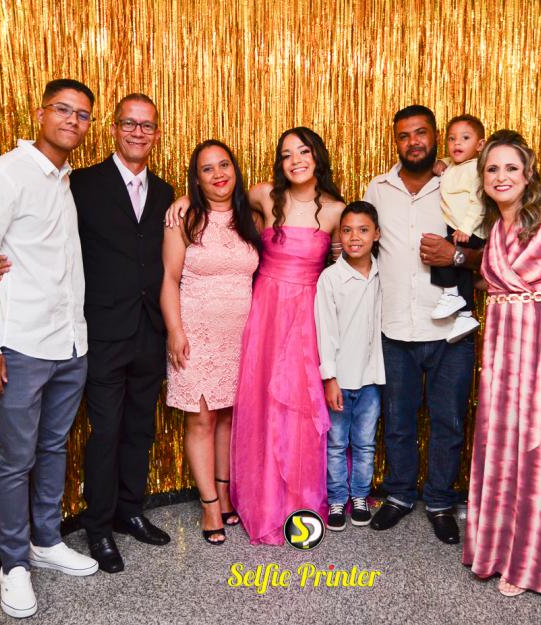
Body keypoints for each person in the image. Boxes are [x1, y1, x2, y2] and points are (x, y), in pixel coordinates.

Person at [166, 127, 345, 544]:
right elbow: (219, 198)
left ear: (317, 156)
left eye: (303, 151)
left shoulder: (337, 211)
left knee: (298, 405)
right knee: (258, 405)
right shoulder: (264, 196)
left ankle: (296, 499)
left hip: (306, 316)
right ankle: (253, 497)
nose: (296, 160)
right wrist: (184, 199)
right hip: (262, 315)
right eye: (286, 154)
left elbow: (341, 272)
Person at [462, 130, 541, 597]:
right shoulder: (495, 229)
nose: (501, 176)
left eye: (511, 167)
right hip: (502, 355)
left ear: (528, 173)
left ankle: (529, 561)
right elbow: (501, 284)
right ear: (483, 177)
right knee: (501, 449)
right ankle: (497, 551)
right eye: (492, 169)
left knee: (537, 449)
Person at [0, 78, 98, 619]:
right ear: (40, 113)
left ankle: (46, 540)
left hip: (70, 342)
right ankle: (13, 565)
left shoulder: (65, 180)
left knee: (54, 447)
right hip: (20, 344)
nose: (72, 121)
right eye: (63, 109)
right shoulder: (6, 173)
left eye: (82, 114)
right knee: (16, 459)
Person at [70, 94, 174, 573]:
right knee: (106, 431)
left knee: (139, 428)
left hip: (150, 330)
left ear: (157, 134)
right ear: (113, 129)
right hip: (103, 330)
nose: (137, 132)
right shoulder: (82, 183)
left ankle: (130, 511)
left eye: (146, 125)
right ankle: (98, 526)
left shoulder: (167, 192)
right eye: (129, 123)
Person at [363, 105, 476, 544]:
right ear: (396, 141)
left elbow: (491, 246)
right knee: (398, 421)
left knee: (448, 421)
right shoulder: (378, 188)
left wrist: (456, 255)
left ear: (435, 136)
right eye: (404, 135)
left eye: (421, 132)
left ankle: (441, 502)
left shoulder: (460, 184)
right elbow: (364, 242)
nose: (413, 142)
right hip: (395, 327)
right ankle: (399, 495)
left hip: (451, 330)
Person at [161, 140, 260, 545]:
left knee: (228, 418)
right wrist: (175, 331)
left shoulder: (251, 216)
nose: (218, 174)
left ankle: (224, 492)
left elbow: (282, 189)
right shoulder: (184, 218)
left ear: (235, 170)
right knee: (201, 418)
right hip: (196, 333)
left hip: (241, 336)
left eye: (224, 165)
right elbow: (169, 278)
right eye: (207, 169)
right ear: (196, 179)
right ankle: (208, 504)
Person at [314, 201, 385, 531]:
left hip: (372, 378)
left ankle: (359, 496)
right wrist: (330, 378)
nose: (355, 237)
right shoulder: (330, 278)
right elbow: (326, 331)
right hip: (341, 379)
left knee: (365, 443)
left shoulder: (385, 274)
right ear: (339, 236)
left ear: (377, 234)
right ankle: (337, 500)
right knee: (337, 444)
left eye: (363, 230)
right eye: (347, 230)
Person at [430, 115, 486, 342]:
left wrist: (466, 228)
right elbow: (449, 162)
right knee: (461, 268)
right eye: (452, 139)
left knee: (439, 252)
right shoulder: (454, 165)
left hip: (469, 229)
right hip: (458, 228)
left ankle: (451, 293)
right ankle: (465, 315)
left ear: (480, 145)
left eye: (465, 138)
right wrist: (442, 162)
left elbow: (478, 202)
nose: (457, 143)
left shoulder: (476, 170)